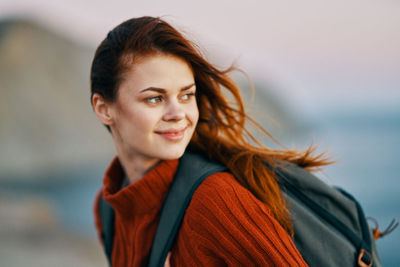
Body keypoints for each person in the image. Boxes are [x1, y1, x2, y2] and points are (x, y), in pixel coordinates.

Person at [91, 16, 329, 266]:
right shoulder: (108, 208)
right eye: (154, 98)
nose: (178, 113)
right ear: (104, 108)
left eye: (186, 95)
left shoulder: (216, 201)